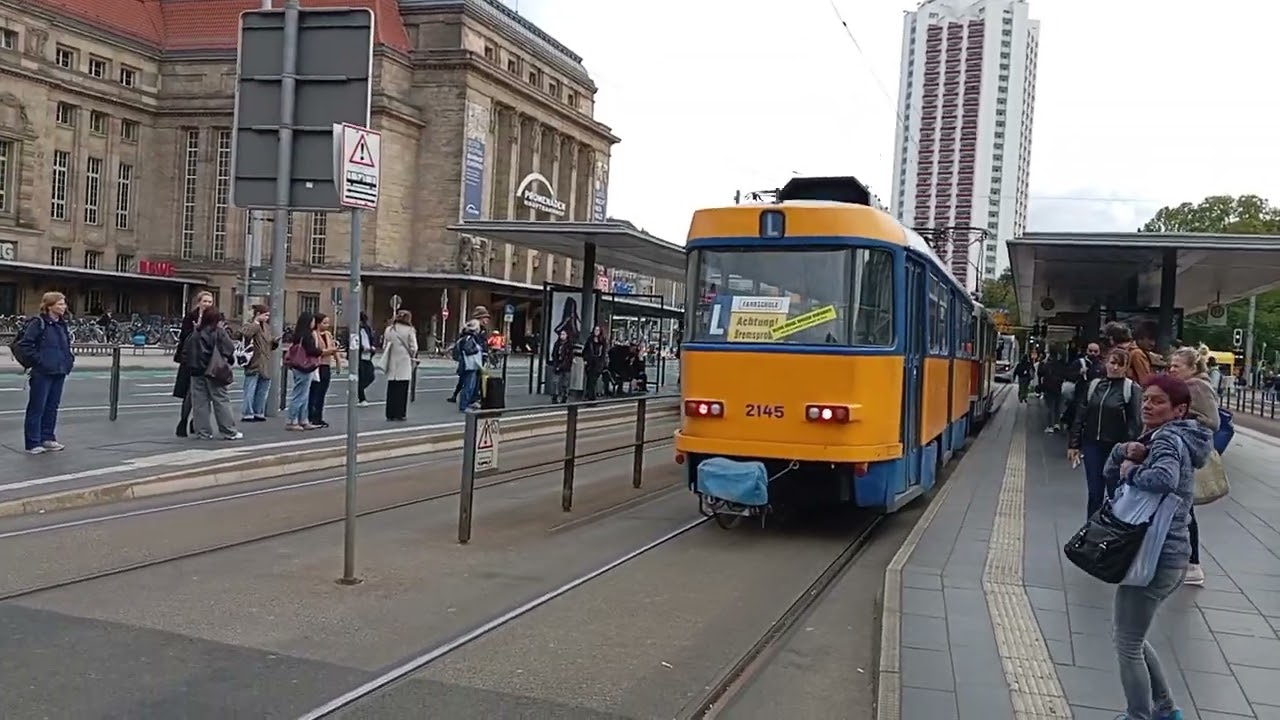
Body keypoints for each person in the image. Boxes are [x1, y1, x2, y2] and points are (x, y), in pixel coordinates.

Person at [1103, 374, 1209, 720]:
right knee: (1129, 636)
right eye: (1146, 398)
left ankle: (1140, 716)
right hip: (1167, 553)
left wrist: (1131, 470)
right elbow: (1110, 471)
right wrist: (1123, 452)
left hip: (1156, 553)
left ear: (1179, 410)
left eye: (1158, 401)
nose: (1148, 405)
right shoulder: (1167, 436)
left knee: (1127, 644)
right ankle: (1165, 709)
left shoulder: (1165, 440)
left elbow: (1162, 479)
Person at [1167, 345, 1221, 588]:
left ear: (1191, 368)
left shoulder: (1197, 387)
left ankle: (1193, 563)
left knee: (1185, 509)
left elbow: (1212, 421)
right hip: (1180, 451)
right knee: (1182, 508)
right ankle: (1186, 562)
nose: (1171, 370)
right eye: (1171, 366)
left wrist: (1181, 420)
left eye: (1177, 366)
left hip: (1187, 453)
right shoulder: (1185, 386)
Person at [1068, 348, 1142, 519]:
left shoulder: (1131, 389)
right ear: (1106, 363)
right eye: (1112, 362)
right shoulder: (1094, 386)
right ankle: (1091, 530)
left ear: (1126, 368)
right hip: (1092, 444)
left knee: (1115, 493)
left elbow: (1135, 422)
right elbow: (1081, 414)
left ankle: (1112, 529)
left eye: (1120, 364)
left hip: (1116, 449)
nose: (1114, 367)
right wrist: (1074, 443)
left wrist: (1128, 451)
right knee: (1094, 492)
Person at [17, 291, 74, 454]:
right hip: (42, 371)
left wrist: (69, 360)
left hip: (59, 370)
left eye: (64, 303)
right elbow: (25, 345)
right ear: (50, 306)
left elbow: (66, 345)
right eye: (60, 303)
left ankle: (47, 437)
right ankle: (33, 442)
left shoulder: (62, 324)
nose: (64, 306)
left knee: (52, 406)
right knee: (37, 407)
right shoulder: (38, 323)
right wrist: (40, 361)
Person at [183, 309, 242, 440]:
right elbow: (229, 348)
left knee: (200, 403)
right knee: (221, 400)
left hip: (196, 371)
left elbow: (186, 352)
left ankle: (203, 432)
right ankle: (228, 431)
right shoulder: (219, 332)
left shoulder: (195, 334)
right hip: (215, 371)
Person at [172, 291, 214, 437]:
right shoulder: (190, 317)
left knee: (203, 394)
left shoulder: (214, 317)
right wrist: (198, 325)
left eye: (210, 301)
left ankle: (196, 422)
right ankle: (183, 421)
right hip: (190, 359)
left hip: (207, 360)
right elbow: (186, 335)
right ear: (199, 302)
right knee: (189, 393)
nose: (207, 304)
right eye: (205, 301)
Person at [285, 312, 322, 430]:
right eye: (312, 321)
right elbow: (312, 350)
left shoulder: (299, 335)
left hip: (299, 366)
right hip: (304, 366)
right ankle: (292, 420)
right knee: (300, 394)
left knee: (304, 395)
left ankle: (302, 419)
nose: (313, 323)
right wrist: (319, 351)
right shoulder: (306, 336)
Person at [239, 304, 276, 422]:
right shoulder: (250, 325)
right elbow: (246, 334)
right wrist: (255, 322)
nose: (267, 318)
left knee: (262, 388)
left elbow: (269, 341)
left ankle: (258, 411)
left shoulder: (267, 327)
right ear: (258, 314)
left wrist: (274, 342)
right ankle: (248, 412)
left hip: (265, 360)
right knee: (250, 388)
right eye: (265, 315)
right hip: (254, 361)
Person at [383, 309, 419, 421]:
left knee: (391, 389)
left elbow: (384, 345)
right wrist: (411, 355)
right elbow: (414, 347)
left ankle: (390, 413)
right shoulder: (409, 330)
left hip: (392, 361)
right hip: (404, 362)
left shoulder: (389, 329)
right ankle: (400, 413)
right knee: (402, 389)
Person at [308, 313, 341, 428]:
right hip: (317, 366)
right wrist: (330, 350)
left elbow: (333, 349)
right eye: (324, 323)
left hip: (326, 365)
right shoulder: (313, 334)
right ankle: (311, 416)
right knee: (314, 392)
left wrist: (338, 362)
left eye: (328, 323)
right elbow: (319, 351)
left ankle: (319, 417)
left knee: (322, 393)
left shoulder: (328, 334)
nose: (327, 325)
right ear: (317, 323)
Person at [453, 319, 485, 411]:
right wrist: (476, 349)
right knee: (468, 386)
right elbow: (467, 350)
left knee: (469, 385)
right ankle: (463, 406)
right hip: (469, 365)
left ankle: (465, 404)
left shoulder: (467, 337)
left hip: (469, 365)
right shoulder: (469, 338)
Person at [351, 312, 378, 407]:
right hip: (358, 356)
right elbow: (351, 343)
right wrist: (362, 348)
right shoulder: (353, 329)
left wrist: (372, 347)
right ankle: (362, 398)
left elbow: (371, 339)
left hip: (367, 356)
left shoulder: (367, 329)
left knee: (371, 376)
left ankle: (354, 389)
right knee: (361, 377)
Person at [1038, 353, 1066, 432]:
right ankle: (1057, 424)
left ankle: (1050, 426)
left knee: (1050, 407)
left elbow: (1040, 373)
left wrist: (1042, 362)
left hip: (1049, 388)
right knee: (1057, 407)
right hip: (1058, 388)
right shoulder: (1060, 366)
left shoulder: (1046, 365)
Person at [583, 325, 608, 400]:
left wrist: (602, 363)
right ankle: (589, 395)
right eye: (595, 330)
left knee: (593, 379)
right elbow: (585, 350)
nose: (596, 331)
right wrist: (585, 359)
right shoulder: (590, 340)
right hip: (590, 362)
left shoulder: (603, 341)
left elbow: (604, 353)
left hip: (598, 363)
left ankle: (591, 396)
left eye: (598, 330)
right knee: (589, 379)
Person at [549, 329, 573, 403]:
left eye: (563, 334)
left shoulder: (569, 345)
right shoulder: (557, 344)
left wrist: (563, 365)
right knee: (555, 381)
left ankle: (564, 396)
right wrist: (555, 364)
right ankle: (555, 396)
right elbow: (554, 354)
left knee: (565, 383)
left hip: (565, 366)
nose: (561, 336)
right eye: (561, 334)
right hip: (557, 364)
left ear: (567, 335)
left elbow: (569, 357)